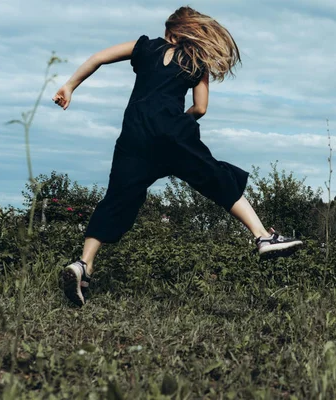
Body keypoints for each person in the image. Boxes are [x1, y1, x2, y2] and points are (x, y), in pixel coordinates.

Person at [52, 6, 303, 307]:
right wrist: (177, 126)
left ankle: (83, 265)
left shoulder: (144, 47)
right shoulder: (197, 61)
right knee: (216, 176)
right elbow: (201, 108)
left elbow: (98, 58)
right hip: (172, 133)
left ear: (170, 31)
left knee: (117, 198)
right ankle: (262, 236)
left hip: (134, 134)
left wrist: (69, 86)